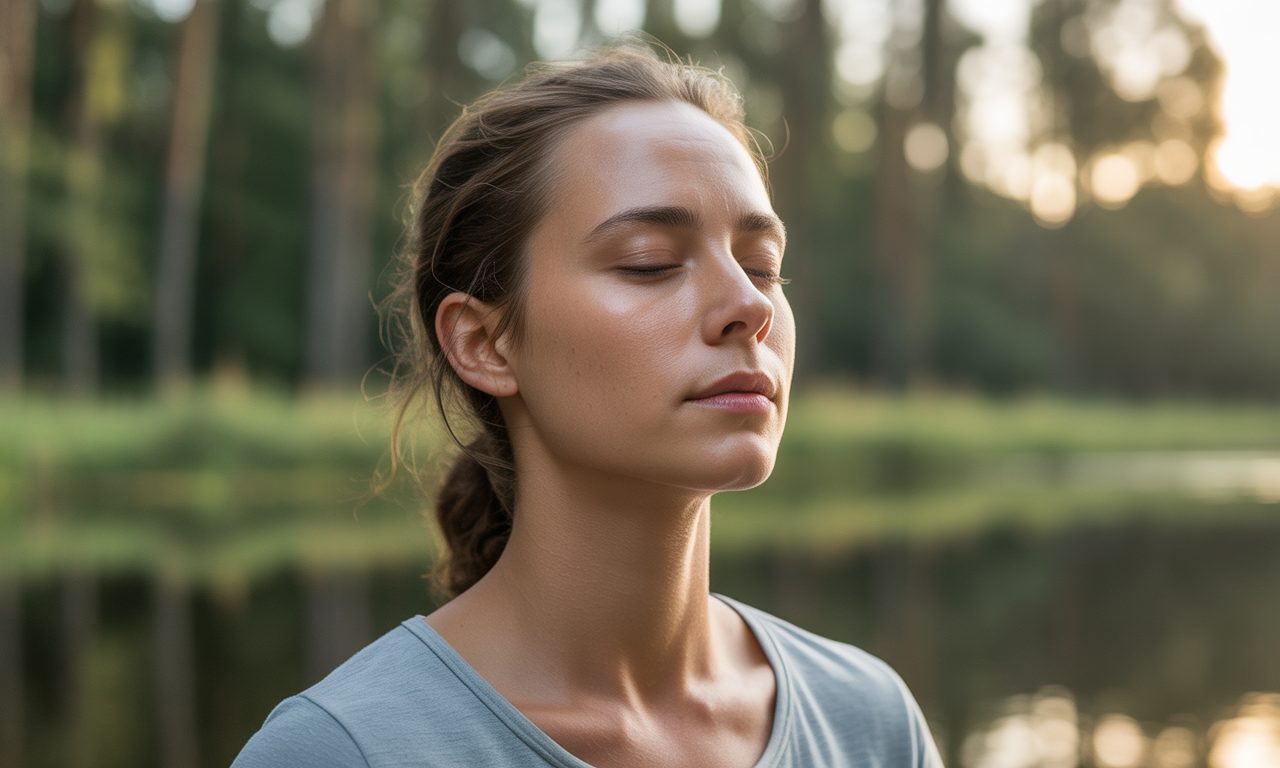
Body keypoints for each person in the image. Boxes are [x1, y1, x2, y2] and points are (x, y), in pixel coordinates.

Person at [232, 44, 944, 768]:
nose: (749, 305)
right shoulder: (343, 750)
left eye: (762, 266)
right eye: (650, 262)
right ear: (485, 343)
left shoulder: (868, 723)